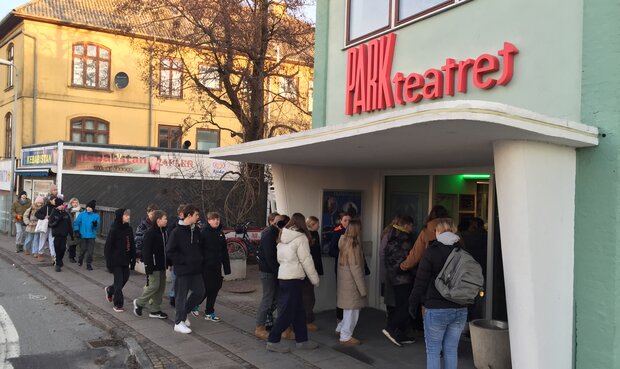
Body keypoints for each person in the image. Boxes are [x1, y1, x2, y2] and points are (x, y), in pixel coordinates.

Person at [410, 218, 468, 369]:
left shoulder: (432, 251)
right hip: (460, 308)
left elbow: (421, 281)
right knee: (451, 350)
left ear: (439, 232)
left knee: (433, 351)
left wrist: (413, 302)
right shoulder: (463, 251)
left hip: (436, 308)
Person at [266, 213, 320, 353]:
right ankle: (273, 340)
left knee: (298, 311)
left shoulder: (282, 236)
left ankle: (302, 340)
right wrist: (315, 279)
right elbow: (306, 260)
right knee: (287, 312)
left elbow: (279, 259)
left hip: (284, 276)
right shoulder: (301, 238)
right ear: (302, 223)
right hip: (294, 279)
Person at [166, 204, 205, 334]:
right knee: (181, 296)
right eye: (196, 215)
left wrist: (199, 259)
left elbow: (199, 247)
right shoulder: (176, 232)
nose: (198, 217)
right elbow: (170, 251)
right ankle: (178, 322)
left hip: (196, 269)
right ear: (189, 216)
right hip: (183, 270)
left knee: (200, 292)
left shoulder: (196, 230)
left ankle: (184, 313)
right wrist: (183, 261)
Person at [382, 215, 416, 347]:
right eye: (411, 226)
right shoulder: (404, 240)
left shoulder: (391, 237)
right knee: (405, 307)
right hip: (403, 278)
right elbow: (406, 260)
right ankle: (391, 328)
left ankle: (400, 334)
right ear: (406, 225)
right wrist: (410, 270)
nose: (412, 228)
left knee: (401, 305)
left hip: (395, 278)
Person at [255, 214, 287, 340]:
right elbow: (270, 257)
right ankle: (260, 327)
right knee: (267, 299)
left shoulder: (272, 232)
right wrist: (279, 272)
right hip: (268, 272)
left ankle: (275, 325)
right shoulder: (269, 234)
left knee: (276, 298)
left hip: (272, 270)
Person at [336, 219, 367, 347]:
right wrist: (363, 289)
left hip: (345, 281)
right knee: (352, 311)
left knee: (348, 309)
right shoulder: (353, 245)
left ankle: (340, 328)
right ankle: (345, 336)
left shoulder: (343, 241)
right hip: (352, 283)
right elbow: (356, 269)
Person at [133, 210, 169, 319]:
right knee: (153, 286)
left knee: (161, 287)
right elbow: (146, 251)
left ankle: (155, 309)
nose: (166, 220)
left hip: (162, 264)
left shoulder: (164, 232)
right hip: (153, 265)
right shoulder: (150, 233)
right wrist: (148, 266)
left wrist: (168, 262)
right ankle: (139, 303)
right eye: (165, 218)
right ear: (158, 220)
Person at [198, 211, 231, 321]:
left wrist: (227, 268)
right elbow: (199, 250)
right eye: (213, 219)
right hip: (206, 266)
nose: (216, 221)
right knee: (207, 289)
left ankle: (209, 311)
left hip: (217, 266)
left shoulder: (221, 234)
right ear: (208, 221)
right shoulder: (203, 233)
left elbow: (224, 252)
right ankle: (194, 304)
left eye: (217, 219)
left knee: (216, 288)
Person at [104, 208, 136, 312]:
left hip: (125, 260)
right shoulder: (114, 229)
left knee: (125, 279)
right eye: (125, 215)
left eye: (128, 215)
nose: (128, 217)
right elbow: (108, 247)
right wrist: (109, 263)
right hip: (115, 260)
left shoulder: (129, 229)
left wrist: (133, 258)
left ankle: (110, 290)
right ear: (120, 217)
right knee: (118, 282)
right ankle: (118, 304)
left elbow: (131, 244)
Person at [304, 216, 324, 331]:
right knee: (308, 296)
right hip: (309, 269)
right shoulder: (308, 236)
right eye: (317, 224)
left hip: (313, 268)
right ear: (312, 224)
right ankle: (307, 320)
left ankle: (308, 319)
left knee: (310, 295)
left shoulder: (315, 234)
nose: (319, 226)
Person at [167, 204, 186, 308]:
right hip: (176, 257)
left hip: (184, 257)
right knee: (175, 278)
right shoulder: (174, 225)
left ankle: (177, 297)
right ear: (181, 214)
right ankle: (173, 296)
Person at [48, 198, 74, 272]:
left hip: (64, 234)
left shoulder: (66, 214)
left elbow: (69, 225)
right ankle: (57, 264)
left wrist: (71, 235)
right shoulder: (54, 213)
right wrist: (57, 220)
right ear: (57, 206)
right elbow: (50, 224)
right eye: (60, 205)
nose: (62, 206)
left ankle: (60, 260)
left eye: (63, 205)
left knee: (63, 248)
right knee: (57, 248)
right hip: (57, 234)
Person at [74, 200, 100, 270]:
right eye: (87, 207)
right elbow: (76, 223)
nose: (88, 208)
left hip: (91, 236)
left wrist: (95, 225)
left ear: (93, 208)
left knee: (90, 252)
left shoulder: (96, 216)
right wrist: (76, 230)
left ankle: (88, 264)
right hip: (83, 236)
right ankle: (80, 258)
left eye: (90, 207)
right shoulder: (82, 214)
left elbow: (97, 227)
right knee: (83, 250)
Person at [134, 203, 158, 270]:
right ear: (148, 213)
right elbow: (138, 239)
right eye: (151, 214)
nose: (153, 216)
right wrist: (138, 254)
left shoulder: (159, 224)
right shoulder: (143, 225)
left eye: (155, 214)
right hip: (147, 254)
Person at [36, 195, 58, 263]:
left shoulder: (57, 207)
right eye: (54, 200)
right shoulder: (46, 207)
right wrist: (44, 217)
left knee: (52, 242)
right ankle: (40, 254)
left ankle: (53, 256)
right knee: (42, 240)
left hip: (53, 227)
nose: (56, 202)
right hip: (45, 227)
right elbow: (37, 214)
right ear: (50, 200)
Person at [66, 197, 82, 263]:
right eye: (73, 202)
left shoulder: (81, 211)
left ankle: (71, 252)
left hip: (78, 229)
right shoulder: (68, 211)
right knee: (72, 243)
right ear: (71, 203)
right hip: (70, 229)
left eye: (76, 203)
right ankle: (71, 257)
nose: (75, 204)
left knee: (76, 243)